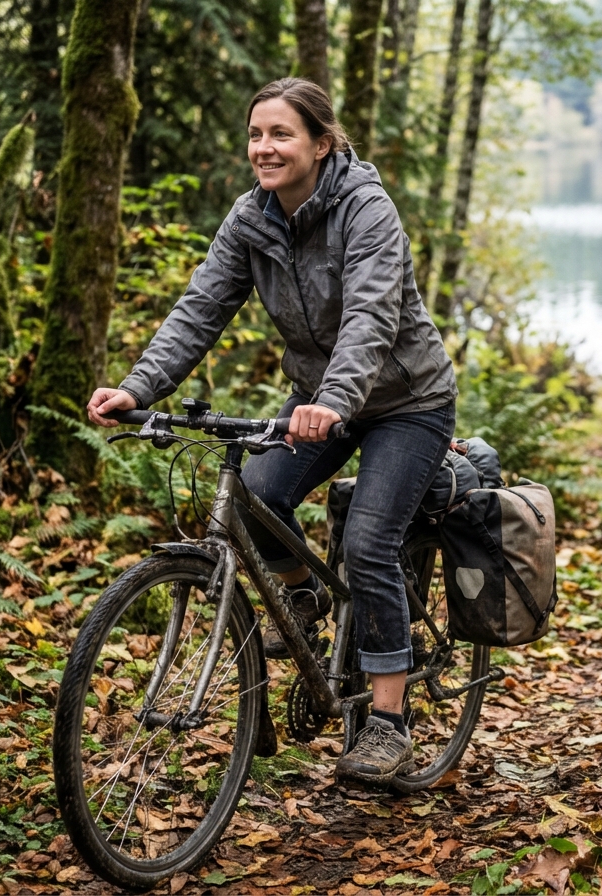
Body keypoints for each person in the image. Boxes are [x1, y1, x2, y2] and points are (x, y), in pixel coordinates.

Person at [86, 78, 457, 786]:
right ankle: (304, 599)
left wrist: (337, 398)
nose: (265, 148)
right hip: (320, 399)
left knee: (368, 539)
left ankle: (388, 722)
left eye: (281, 134)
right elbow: (200, 309)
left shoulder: (365, 209)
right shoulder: (250, 218)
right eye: (256, 135)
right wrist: (138, 386)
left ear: (322, 144)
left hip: (407, 401)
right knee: (255, 497)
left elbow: (371, 318)